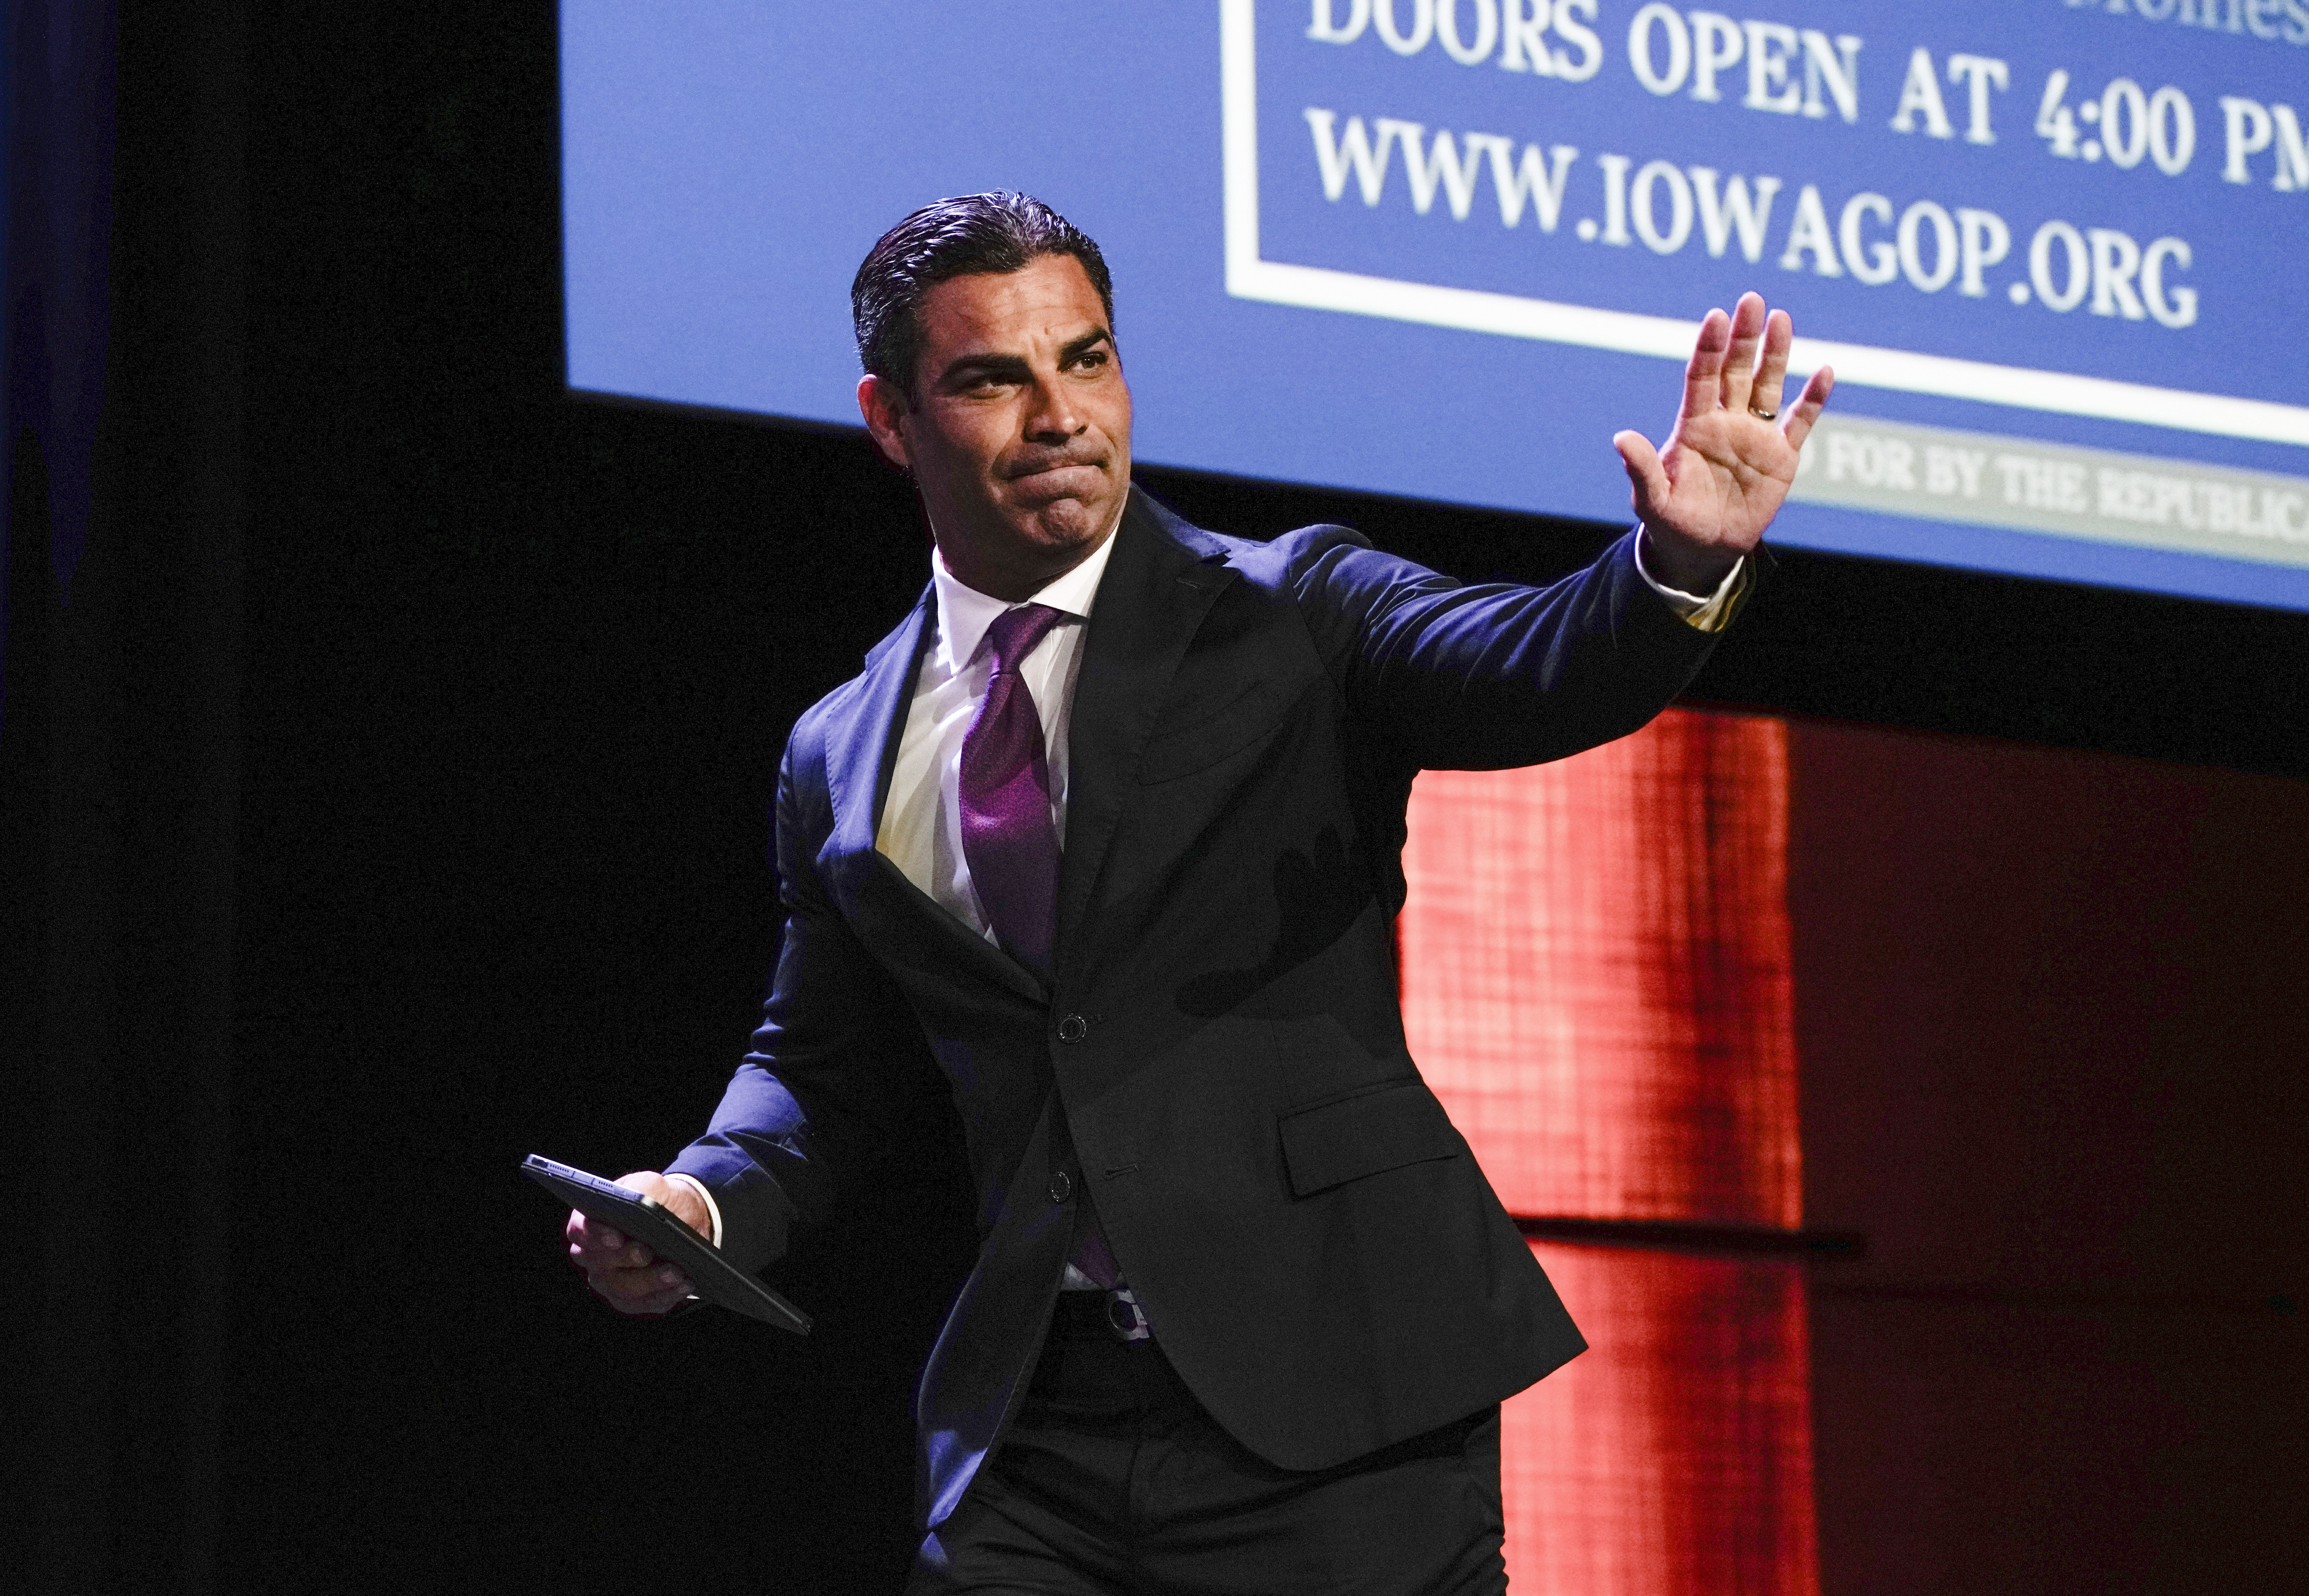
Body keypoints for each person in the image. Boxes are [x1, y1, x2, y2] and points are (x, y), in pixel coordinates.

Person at [566, 191, 1833, 1592]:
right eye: (992, 378)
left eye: (1087, 361)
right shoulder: (841, 747)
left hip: (1338, 1405)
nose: (1059, 415)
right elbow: (819, 1061)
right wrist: (702, 1203)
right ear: (890, 419)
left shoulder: (1294, 610)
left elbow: (1527, 665)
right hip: (1039, 1428)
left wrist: (1674, 569)